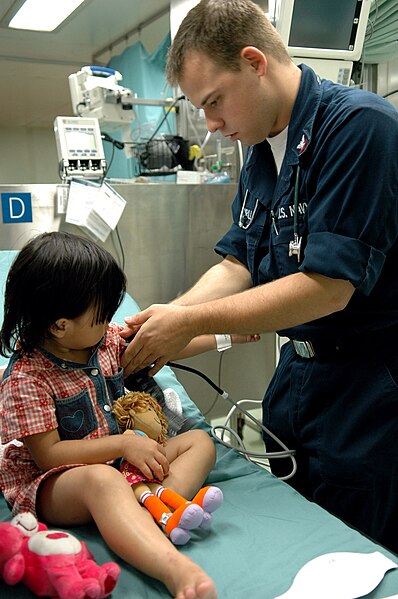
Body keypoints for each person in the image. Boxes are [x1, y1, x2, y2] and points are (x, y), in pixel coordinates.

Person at [121, 0, 398, 554]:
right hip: (299, 379)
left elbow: (329, 286)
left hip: (368, 390)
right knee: (291, 535)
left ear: (254, 62)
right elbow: (238, 264)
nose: (213, 126)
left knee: (354, 552)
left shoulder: (359, 129)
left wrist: (189, 324)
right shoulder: (261, 153)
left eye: (214, 102)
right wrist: (166, 320)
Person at [0, 231, 257, 599]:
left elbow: (163, 344)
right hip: (56, 482)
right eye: (102, 317)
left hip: (123, 465)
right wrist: (122, 443)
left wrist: (226, 336)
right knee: (103, 482)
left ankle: (152, 508)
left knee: (199, 442)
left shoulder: (101, 342)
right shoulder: (27, 377)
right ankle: (175, 569)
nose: (110, 323)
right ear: (59, 325)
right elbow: (49, 455)